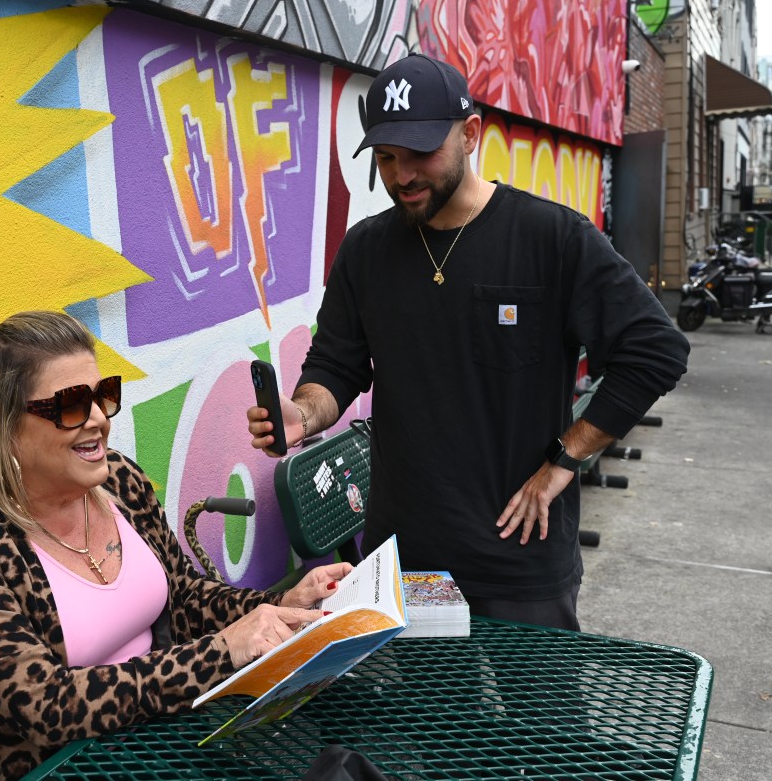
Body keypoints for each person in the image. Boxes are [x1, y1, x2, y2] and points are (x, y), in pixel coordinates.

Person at [245, 54, 689, 632]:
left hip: (519, 561)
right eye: (386, 158)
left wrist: (564, 461)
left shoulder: (549, 238)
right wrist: (303, 413)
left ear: (471, 134)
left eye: (420, 152)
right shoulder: (365, 251)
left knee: (543, 723)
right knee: (429, 721)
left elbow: (656, 349)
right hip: (408, 562)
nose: (402, 175)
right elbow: (337, 364)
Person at [0, 310, 350, 779]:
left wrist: (281, 605)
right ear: (6, 427)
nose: (98, 419)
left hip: (155, 747)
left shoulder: (118, 480)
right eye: (72, 404)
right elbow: (42, 705)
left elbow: (184, 596)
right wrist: (220, 652)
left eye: (103, 396)